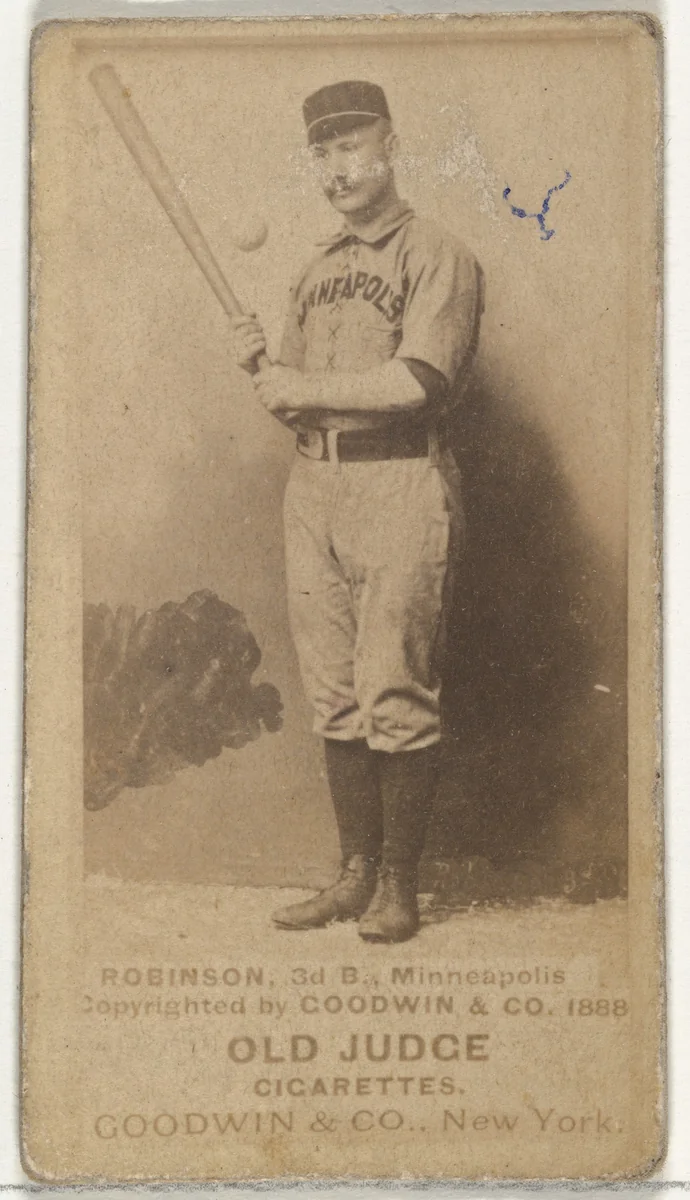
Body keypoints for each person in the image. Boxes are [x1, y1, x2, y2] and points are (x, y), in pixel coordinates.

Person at [231, 80, 484, 942]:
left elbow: (418, 383)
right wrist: (262, 369)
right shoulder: (314, 268)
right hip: (316, 489)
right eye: (321, 154)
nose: (335, 169)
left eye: (349, 147)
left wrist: (301, 385)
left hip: (399, 484)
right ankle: (354, 876)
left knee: (394, 692)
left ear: (389, 144)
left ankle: (400, 888)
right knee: (334, 697)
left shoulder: (438, 254)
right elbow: (297, 403)